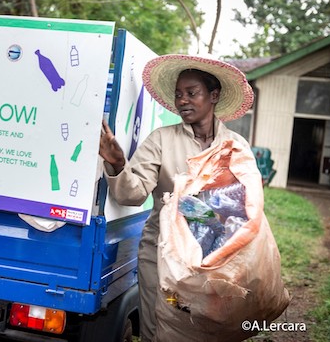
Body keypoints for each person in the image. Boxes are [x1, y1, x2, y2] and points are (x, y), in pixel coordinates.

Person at [99, 54, 255, 342]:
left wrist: (204, 211)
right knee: (161, 324)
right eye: (179, 95)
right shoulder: (162, 140)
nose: (183, 101)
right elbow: (132, 194)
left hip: (214, 259)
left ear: (214, 95)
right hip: (161, 256)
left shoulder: (235, 147)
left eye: (192, 93)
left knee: (202, 327)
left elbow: (247, 208)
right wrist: (119, 164)